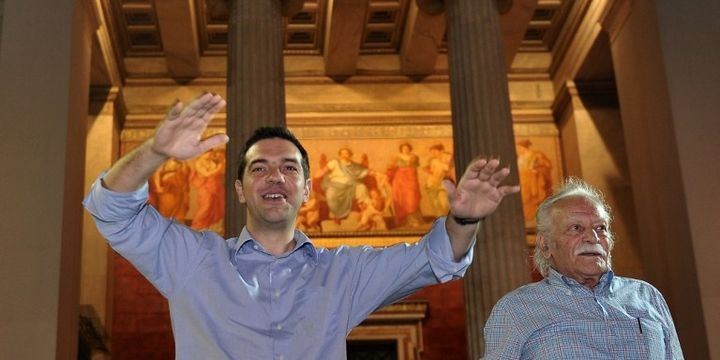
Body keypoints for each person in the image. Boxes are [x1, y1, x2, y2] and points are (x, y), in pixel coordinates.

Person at [83, 93, 520, 359]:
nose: (275, 177)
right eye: (259, 169)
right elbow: (112, 208)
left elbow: (436, 257)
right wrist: (155, 152)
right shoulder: (192, 261)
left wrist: (464, 218)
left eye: (289, 168)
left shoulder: (345, 274)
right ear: (238, 190)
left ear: (308, 189)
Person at [483, 177, 683, 359]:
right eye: (576, 228)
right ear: (545, 245)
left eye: (601, 228)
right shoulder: (516, 309)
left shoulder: (647, 296)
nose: (592, 238)